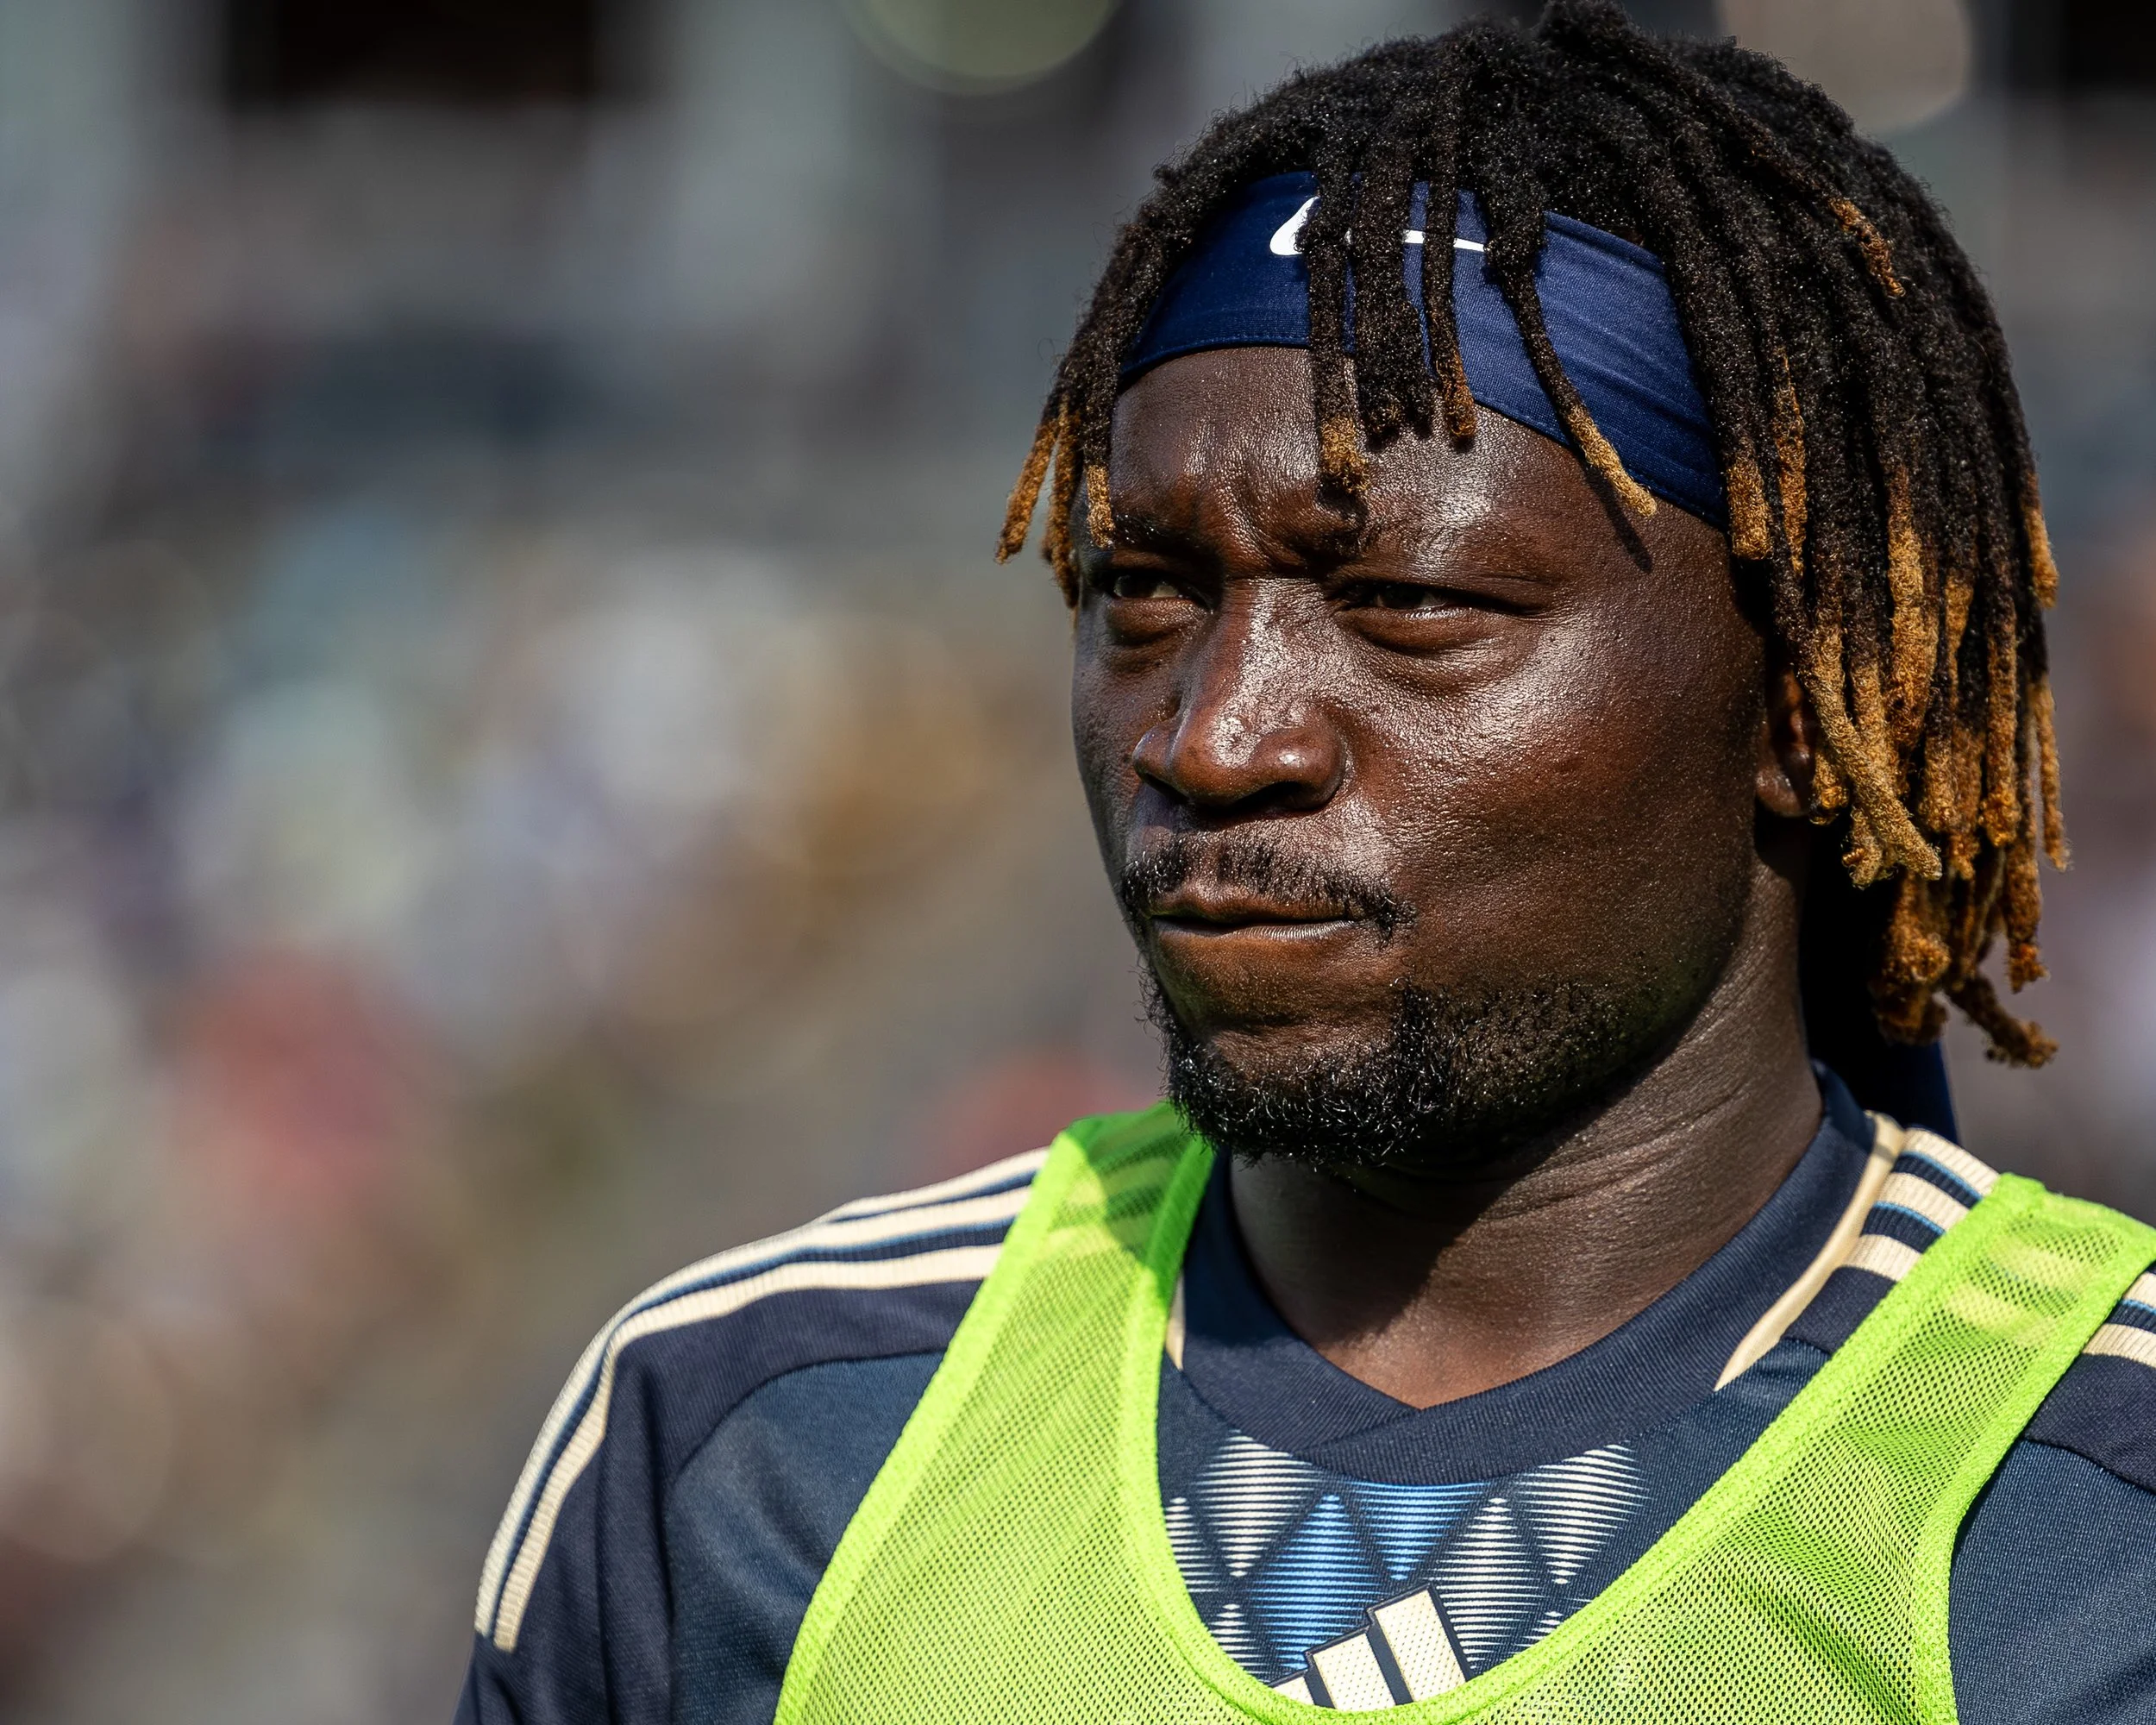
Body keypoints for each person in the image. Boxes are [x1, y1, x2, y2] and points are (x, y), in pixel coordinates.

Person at [456, 6, 2156, 1722]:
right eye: (1146, 593)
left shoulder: (2090, 1500)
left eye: (1410, 603)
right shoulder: (752, 1433)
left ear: (1802, 695)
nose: (1211, 737)